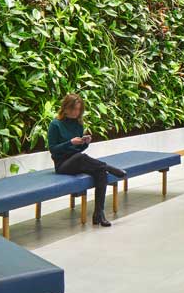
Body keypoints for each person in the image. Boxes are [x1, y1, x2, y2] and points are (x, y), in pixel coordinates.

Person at [47, 93, 126, 227]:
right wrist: (70, 142)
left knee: (100, 172)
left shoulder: (78, 124)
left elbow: (78, 150)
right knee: (83, 159)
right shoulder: (55, 124)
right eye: (73, 109)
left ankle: (98, 214)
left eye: (78, 109)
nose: (76, 112)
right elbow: (53, 149)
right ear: (65, 108)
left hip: (77, 160)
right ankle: (108, 167)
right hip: (62, 165)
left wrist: (85, 143)